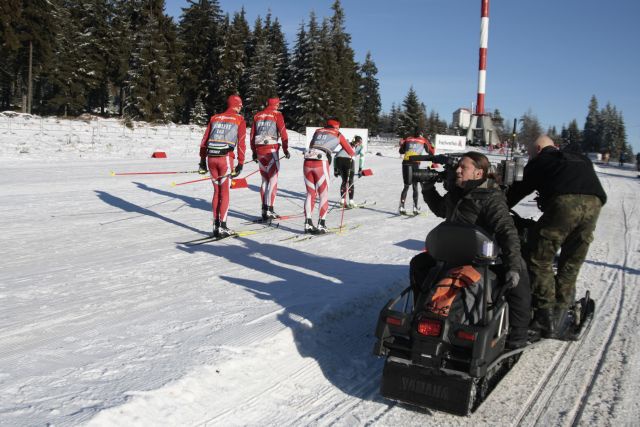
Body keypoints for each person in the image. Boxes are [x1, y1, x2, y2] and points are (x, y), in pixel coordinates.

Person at [411, 152, 531, 349]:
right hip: (454, 256)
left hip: (483, 258)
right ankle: (423, 312)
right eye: (458, 166)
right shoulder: (455, 194)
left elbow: (506, 231)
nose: (457, 170)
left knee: (520, 278)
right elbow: (441, 210)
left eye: (463, 167)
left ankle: (517, 335)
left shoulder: (491, 197)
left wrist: (513, 266)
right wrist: (427, 189)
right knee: (420, 264)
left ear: (478, 173)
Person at [507, 135, 606, 338]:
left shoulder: (540, 161)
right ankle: (561, 311)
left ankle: (545, 316)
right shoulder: (580, 158)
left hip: (564, 203)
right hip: (595, 203)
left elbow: (517, 191)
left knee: (538, 257)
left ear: (538, 148)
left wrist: (498, 207)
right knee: (570, 262)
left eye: (530, 152)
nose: (529, 155)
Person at [198, 94, 246, 238]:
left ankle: (216, 225)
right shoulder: (239, 119)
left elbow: (204, 141)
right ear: (235, 104)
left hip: (211, 158)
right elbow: (242, 143)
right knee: (224, 192)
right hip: (225, 158)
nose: (241, 107)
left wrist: (202, 160)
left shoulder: (214, 118)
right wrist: (241, 163)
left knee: (216, 192)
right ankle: (223, 226)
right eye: (240, 104)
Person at [303, 118, 355, 233]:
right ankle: (321, 224)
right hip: (321, 163)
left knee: (310, 193)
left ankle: (308, 223)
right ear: (337, 126)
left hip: (307, 161)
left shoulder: (318, 131)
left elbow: (312, 144)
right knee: (323, 194)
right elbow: (350, 151)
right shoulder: (337, 133)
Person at [250, 97, 290, 221]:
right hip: (271, 150)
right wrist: (285, 149)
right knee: (273, 180)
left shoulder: (257, 115)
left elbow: (252, 135)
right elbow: (283, 133)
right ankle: (269, 209)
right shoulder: (277, 114)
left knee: (264, 180)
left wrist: (253, 152)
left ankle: (264, 209)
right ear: (276, 104)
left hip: (259, 150)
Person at [398, 133, 435, 215]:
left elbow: (401, 151)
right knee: (415, 186)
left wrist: (405, 146)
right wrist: (432, 146)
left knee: (406, 186)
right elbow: (430, 152)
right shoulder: (423, 140)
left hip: (406, 162)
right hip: (415, 163)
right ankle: (415, 207)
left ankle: (402, 206)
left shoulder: (408, 139)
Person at [333, 135, 366, 208]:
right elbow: (362, 158)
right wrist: (360, 169)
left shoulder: (346, 143)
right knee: (350, 181)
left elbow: (335, 157)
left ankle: (342, 202)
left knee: (344, 181)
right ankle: (351, 202)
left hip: (339, 160)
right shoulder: (361, 147)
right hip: (348, 160)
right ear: (359, 142)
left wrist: (335, 169)